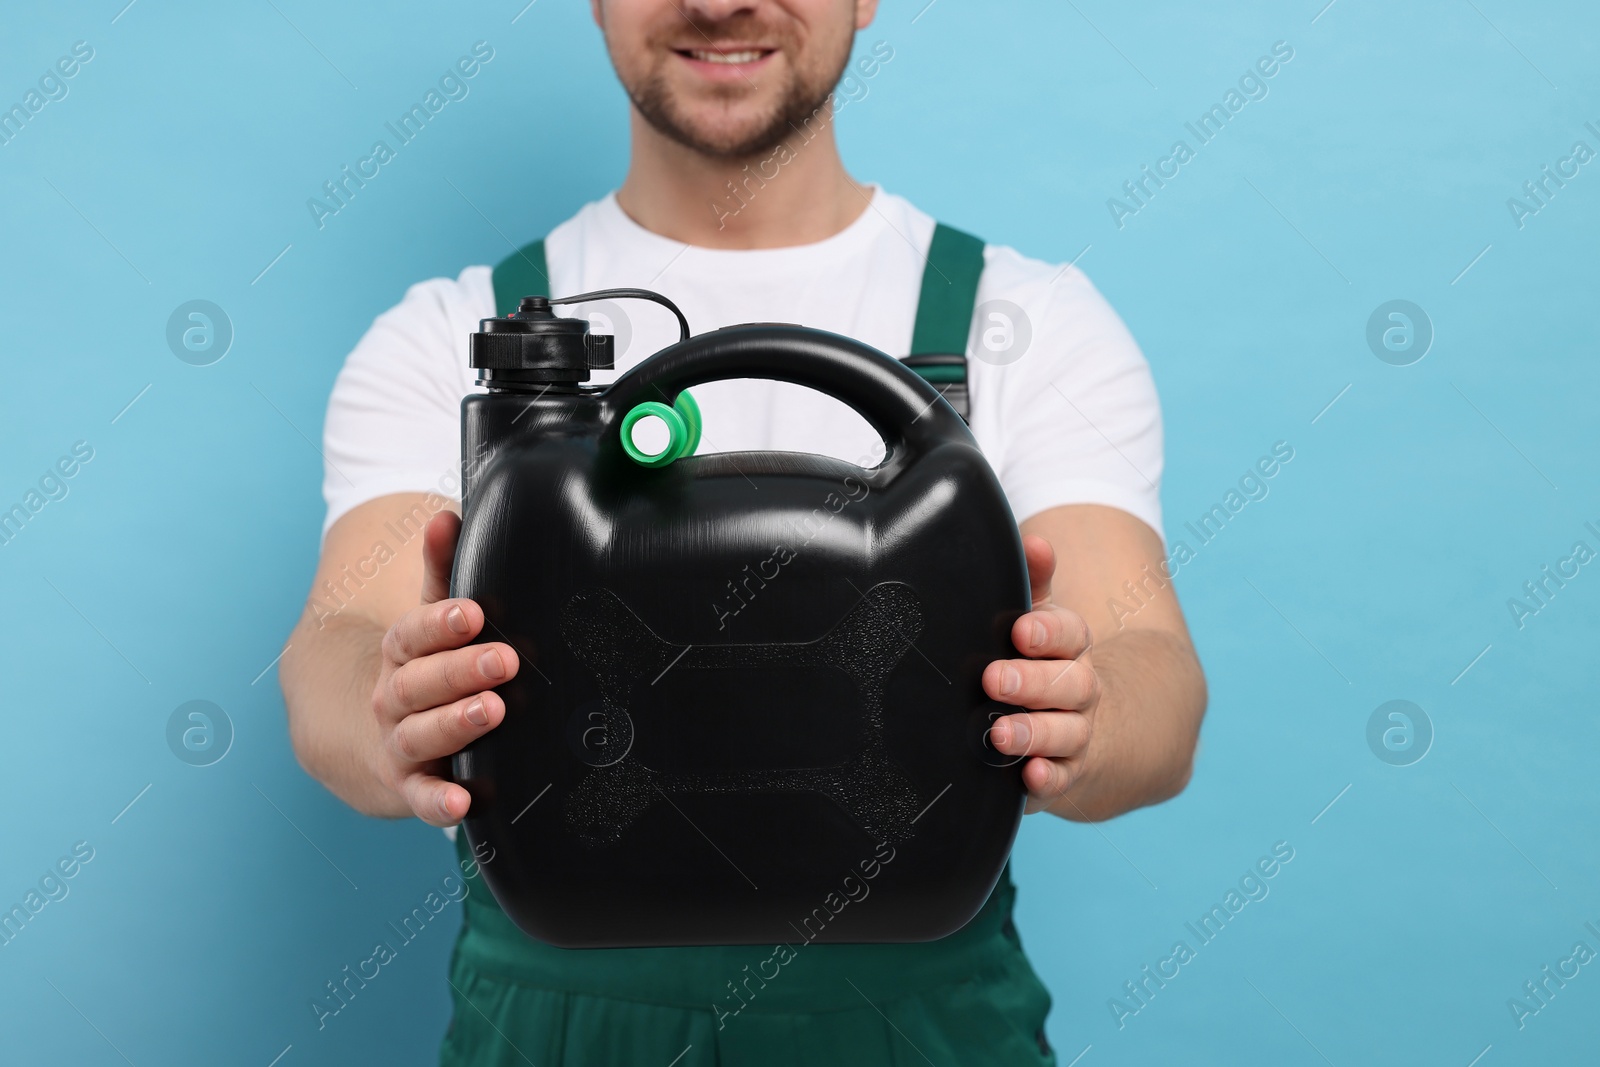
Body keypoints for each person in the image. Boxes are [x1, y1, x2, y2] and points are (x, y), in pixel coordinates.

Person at [280, 1, 1207, 1063]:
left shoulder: (1027, 322)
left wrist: (1087, 714)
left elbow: (1153, 675)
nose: (719, 1)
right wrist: (386, 705)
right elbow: (339, 642)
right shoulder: (452, 337)